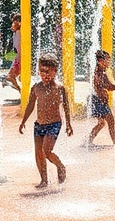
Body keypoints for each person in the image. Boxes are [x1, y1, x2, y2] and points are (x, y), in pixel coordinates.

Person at [19, 52, 73, 188]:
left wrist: (69, 124)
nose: (44, 75)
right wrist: (23, 121)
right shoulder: (37, 88)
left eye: (48, 72)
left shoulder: (59, 88)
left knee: (47, 151)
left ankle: (60, 166)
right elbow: (31, 105)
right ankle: (44, 180)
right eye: (41, 71)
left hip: (54, 124)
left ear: (55, 71)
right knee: (38, 153)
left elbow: (66, 106)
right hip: (39, 124)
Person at [88, 50, 115, 145]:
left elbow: (107, 85)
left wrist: (111, 86)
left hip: (98, 100)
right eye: (108, 60)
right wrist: (114, 86)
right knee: (110, 120)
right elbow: (104, 85)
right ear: (101, 61)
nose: (109, 62)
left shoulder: (103, 71)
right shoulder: (97, 72)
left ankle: (88, 141)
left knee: (101, 123)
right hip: (98, 100)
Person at [4, 13, 22, 91]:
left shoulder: (20, 33)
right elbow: (16, 48)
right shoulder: (16, 34)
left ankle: (20, 90)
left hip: (18, 60)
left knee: (9, 77)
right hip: (16, 59)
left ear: (18, 22)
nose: (12, 25)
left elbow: (17, 48)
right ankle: (19, 90)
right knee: (10, 77)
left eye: (13, 22)